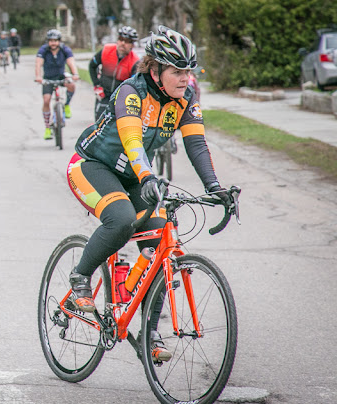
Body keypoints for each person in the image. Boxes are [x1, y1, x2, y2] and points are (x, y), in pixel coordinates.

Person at [65, 26, 232, 363]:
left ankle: (149, 332)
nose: (185, 78)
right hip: (93, 166)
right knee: (122, 218)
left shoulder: (185, 99)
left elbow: (196, 143)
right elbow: (132, 141)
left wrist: (214, 187)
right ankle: (80, 276)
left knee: (158, 249)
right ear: (155, 70)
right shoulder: (131, 91)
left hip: (136, 176)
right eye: (177, 71)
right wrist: (147, 176)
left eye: (188, 70)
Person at [35, 29, 79, 140]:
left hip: (60, 76)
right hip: (48, 78)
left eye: (55, 41)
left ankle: (67, 105)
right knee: (46, 100)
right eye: (50, 41)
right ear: (47, 42)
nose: (53, 43)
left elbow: (71, 62)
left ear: (59, 41)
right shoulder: (43, 50)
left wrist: (75, 74)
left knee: (71, 85)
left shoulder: (65, 50)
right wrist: (38, 77)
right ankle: (47, 128)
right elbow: (38, 63)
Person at [89, 26, 140, 120]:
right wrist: (96, 85)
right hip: (104, 93)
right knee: (99, 124)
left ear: (132, 45)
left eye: (127, 41)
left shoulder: (135, 61)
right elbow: (92, 66)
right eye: (121, 39)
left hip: (121, 96)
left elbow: (135, 84)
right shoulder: (106, 50)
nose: (123, 43)